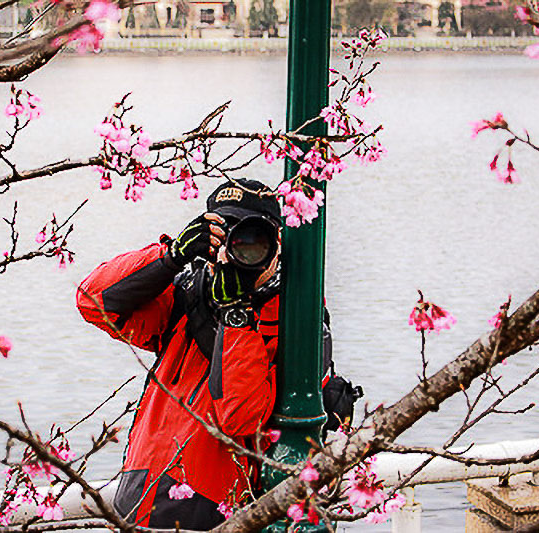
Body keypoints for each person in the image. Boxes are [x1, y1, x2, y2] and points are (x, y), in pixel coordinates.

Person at [76, 178, 361, 529]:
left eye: (253, 239)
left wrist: (235, 313)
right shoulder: (187, 294)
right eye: (224, 235)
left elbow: (240, 416)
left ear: (278, 243)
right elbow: (92, 301)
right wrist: (171, 257)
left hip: (216, 516)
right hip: (138, 504)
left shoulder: (294, 321)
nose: (236, 249)